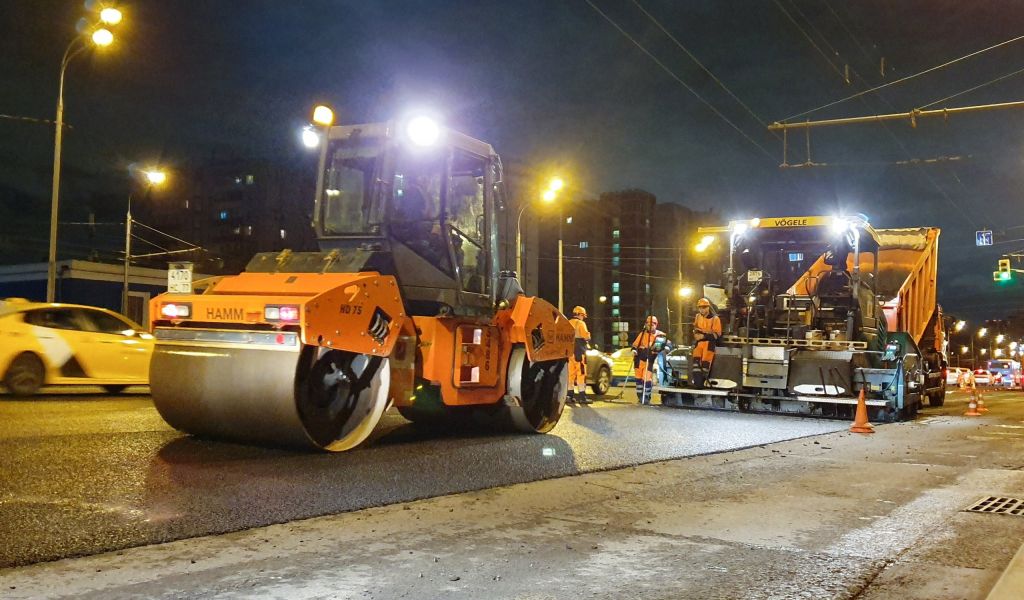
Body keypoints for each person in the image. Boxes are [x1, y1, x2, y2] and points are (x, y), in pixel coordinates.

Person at [632, 315, 665, 405]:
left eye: (653, 324)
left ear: (656, 325)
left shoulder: (660, 335)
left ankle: (646, 397)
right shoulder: (642, 334)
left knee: (646, 379)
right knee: (638, 380)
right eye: (648, 324)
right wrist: (634, 350)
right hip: (639, 360)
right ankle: (640, 397)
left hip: (649, 360)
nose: (650, 326)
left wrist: (664, 348)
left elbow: (664, 345)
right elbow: (635, 345)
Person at [691, 297, 722, 388]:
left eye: (704, 307)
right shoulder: (697, 316)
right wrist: (696, 335)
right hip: (699, 343)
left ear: (708, 307)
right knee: (696, 364)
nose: (702, 309)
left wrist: (704, 336)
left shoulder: (715, 319)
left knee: (705, 365)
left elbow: (717, 334)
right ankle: (697, 385)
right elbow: (695, 328)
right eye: (700, 307)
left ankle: (702, 385)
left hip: (709, 344)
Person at [568, 306, 592, 405]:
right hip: (579, 351)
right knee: (581, 374)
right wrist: (588, 336)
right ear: (580, 314)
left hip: (569, 352)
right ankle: (582, 396)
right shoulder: (580, 323)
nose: (583, 317)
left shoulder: (568, 322)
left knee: (571, 374)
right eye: (583, 315)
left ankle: (569, 395)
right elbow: (586, 337)